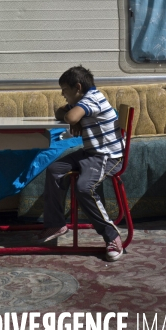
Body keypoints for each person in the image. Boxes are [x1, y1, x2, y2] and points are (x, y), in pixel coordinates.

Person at [37, 65, 125, 262]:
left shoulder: (92, 99)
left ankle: (112, 236)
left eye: (65, 90)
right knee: (54, 169)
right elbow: (60, 111)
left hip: (107, 156)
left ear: (77, 87)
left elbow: (68, 116)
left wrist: (73, 119)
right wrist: (73, 120)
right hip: (91, 152)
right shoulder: (83, 100)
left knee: (84, 187)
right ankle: (56, 223)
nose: (62, 94)